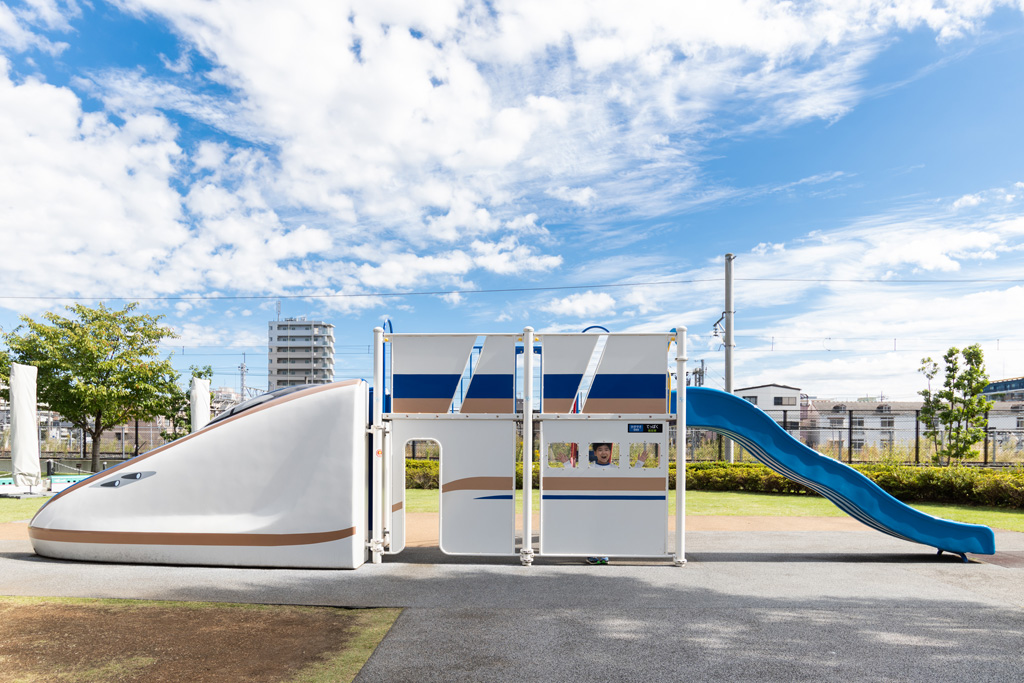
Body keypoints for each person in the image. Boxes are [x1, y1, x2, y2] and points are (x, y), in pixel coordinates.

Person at [587, 442, 614, 565]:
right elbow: (574, 475)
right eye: (600, 450)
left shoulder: (615, 468)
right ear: (595, 453)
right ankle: (591, 553)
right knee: (592, 528)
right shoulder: (589, 468)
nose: (604, 453)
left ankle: (604, 554)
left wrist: (639, 464)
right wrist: (566, 463)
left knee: (606, 528)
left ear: (610, 452)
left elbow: (631, 476)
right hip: (593, 504)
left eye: (606, 450)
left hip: (609, 505)